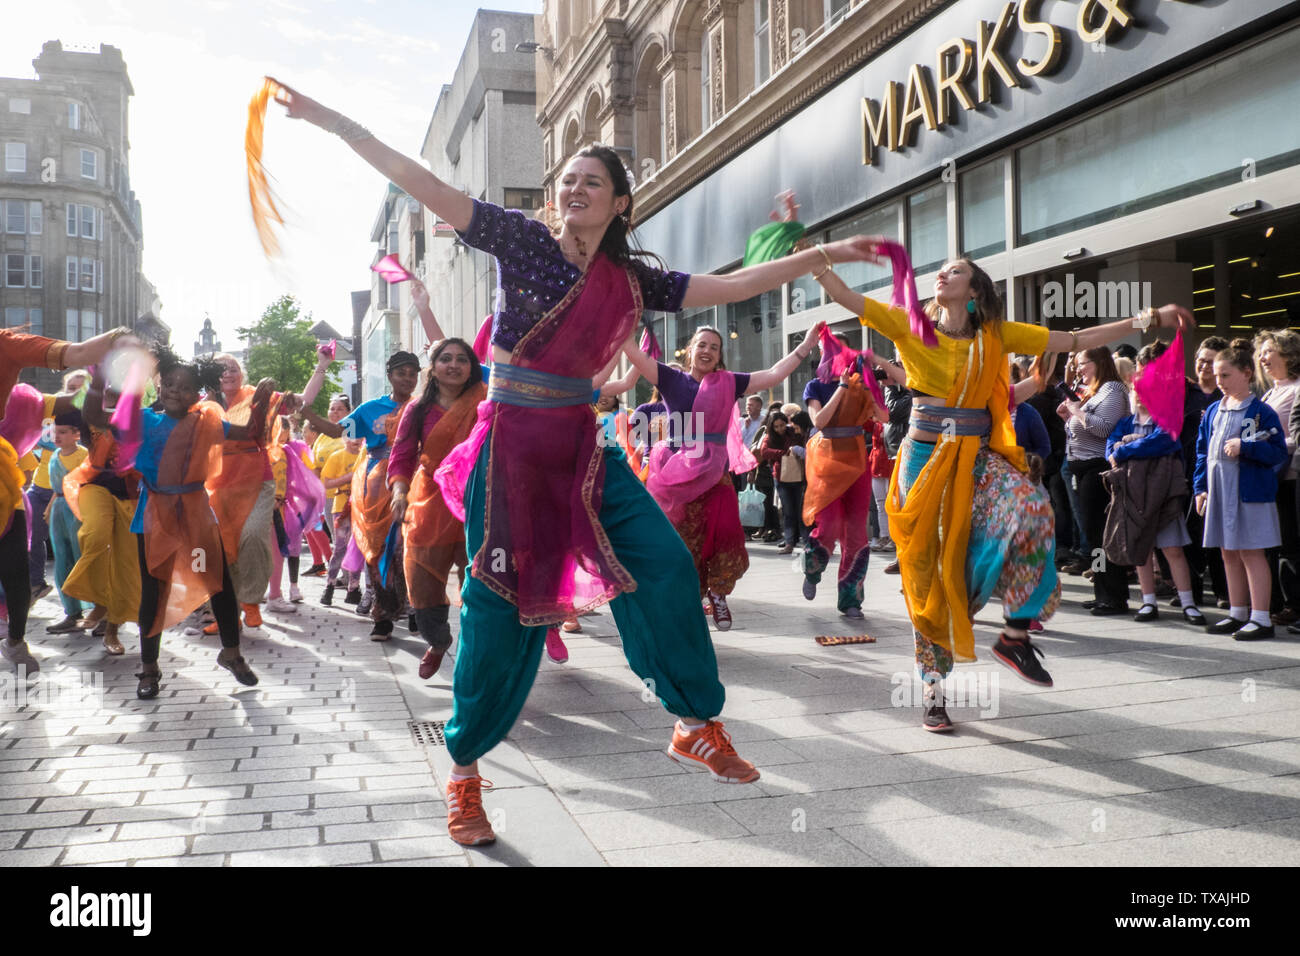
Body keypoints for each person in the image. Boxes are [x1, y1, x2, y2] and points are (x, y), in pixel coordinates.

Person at [270, 78, 885, 846]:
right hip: (512, 453)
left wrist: (821, 252)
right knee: (499, 612)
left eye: (593, 181)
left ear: (622, 202)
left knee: (663, 563)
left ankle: (695, 720)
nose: (574, 188)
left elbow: (736, 282)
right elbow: (420, 181)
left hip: (584, 452)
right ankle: (464, 775)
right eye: (567, 180)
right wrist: (334, 118)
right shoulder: (519, 240)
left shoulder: (633, 281)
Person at [816, 255, 1191, 730]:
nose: (942, 275)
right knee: (929, 574)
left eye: (955, 271)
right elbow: (848, 298)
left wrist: (1147, 318)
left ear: (974, 291)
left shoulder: (995, 333)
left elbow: (1073, 340)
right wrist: (814, 259)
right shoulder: (909, 324)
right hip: (922, 460)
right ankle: (932, 691)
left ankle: (1014, 636)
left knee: (1034, 509)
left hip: (976, 457)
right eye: (942, 270)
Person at [83, 349, 271, 698]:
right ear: (159, 385)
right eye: (168, 383)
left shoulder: (208, 423)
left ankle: (231, 653)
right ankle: (149, 667)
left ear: (198, 393)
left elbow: (250, 433)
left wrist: (260, 398)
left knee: (218, 584)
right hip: (155, 518)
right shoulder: (142, 420)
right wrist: (98, 377)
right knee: (154, 591)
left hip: (197, 518)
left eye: (184, 387)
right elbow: (94, 414)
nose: (174, 391)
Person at [626, 323, 823, 630]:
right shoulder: (670, 378)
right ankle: (687, 606)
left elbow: (773, 374)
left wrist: (806, 344)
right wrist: (616, 317)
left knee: (726, 537)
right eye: (701, 345)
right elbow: (634, 354)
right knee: (682, 545)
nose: (706, 351)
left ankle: (718, 594)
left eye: (713, 347)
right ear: (691, 349)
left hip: (717, 476)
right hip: (677, 477)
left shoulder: (728, 382)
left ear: (719, 357)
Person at [301, 351, 420, 639]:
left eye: (412, 373)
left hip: (418, 480)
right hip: (378, 484)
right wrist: (304, 411)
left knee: (413, 547)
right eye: (401, 372)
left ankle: (416, 610)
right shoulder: (369, 410)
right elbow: (334, 430)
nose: (407, 378)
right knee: (377, 548)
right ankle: (382, 615)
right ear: (390, 376)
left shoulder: (425, 407)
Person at [388, 338, 486, 679]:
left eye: (462, 359)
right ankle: (438, 640)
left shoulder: (486, 401)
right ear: (434, 367)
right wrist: (399, 492)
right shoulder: (417, 409)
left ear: (472, 367)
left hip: (478, 497)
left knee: (479, 577)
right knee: (421, 579)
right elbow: (400, 456)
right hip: (429, 499)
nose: (454, 365)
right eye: (446, 358)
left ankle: (477, 657)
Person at [1104, 345, 1204, 627]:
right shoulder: (1124, 422)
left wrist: (1126, 448)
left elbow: (1165, 441)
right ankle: (1147, 601)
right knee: (1142, 549)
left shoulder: (1165, 419)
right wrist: (1122, 446)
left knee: (1173, 549)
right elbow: (1109, 447)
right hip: (1134, 494)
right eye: (1137, 391)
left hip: (1164, 494)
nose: (1141, 395)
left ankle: (1188, 603)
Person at [1196, 339, 1289, 640]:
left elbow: (1276, 451)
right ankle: (1238, 612)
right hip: (1221, 490)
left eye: (1226, 375)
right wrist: (1200, 488)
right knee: (1228, 551)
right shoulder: (1213, 411)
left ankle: (1261, 617)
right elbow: (1201, 453)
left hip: (1248, 491)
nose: (1219, 381)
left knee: (1251, 552)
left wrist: (1246, 446)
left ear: (1246, 373)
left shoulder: (1260, 412)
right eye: (1217, 374)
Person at [799, 345, 888, 617]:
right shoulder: (815, 386)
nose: (840, 360)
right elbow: (820, 421)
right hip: (826, 459)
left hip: (857, 460)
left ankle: (850, 599)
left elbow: (884, 417)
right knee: (829, 524)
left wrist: (869, 387)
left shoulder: (861, 386)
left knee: (856, 533)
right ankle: (812, 570)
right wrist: (842, 388)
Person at [1060, 347, 1132, 614]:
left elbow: (1103, 427)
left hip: (1098, 470)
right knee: (1093, 535)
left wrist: (1077, 413)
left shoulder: (1112, 390)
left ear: (1099, 363)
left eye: (1082, 364)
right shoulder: (1095, 391)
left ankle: (1112, 595)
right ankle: (1102, 590)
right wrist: (1069, 415)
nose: (1078, 369)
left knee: (1102, 535)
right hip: (1082, 470)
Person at [1254, 330, 1300, 627]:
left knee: (1293, 543)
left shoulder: (1297, 389)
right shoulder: (1271, 392)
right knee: (1283, 542)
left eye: (1269, 351)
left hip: (1292, 474)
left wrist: (1260, 446)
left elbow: (1294, 438)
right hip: (1273, 476)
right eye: (1261, 353)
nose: (1262, 358)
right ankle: (1290, 603)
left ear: (1289, 354)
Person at [44, 412, 92, 636]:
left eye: (63, 432)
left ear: (76, 434)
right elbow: (57, 489)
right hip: (59, 511)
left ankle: (99, 611)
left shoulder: (85, 455)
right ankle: (72, 612)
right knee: (63, 561)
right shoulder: (54, 456)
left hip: (79, 510)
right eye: (55, 432)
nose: (57, 436)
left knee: (84, 558)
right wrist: (49, 508)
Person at [320, 436, 363, 606]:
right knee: (340, 547)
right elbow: (326, 482)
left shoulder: (366, 456)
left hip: (360, 508)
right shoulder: (337, 456)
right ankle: (329, 586)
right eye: (352, 437)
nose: (357, 440)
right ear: (345, 439)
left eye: (360, 437)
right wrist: (350, 477)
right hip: (341, 507)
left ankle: (354, 588)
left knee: (357, 547)